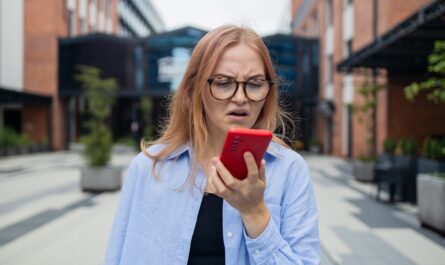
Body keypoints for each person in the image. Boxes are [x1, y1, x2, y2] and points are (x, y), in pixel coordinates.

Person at [105, 25, 320, 265]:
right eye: (223, 82)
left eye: (255, 83)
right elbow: (119, 256)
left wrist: (255, 212)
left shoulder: (289, 170)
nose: (240, 97)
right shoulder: (149, 167)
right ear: (194, 88)